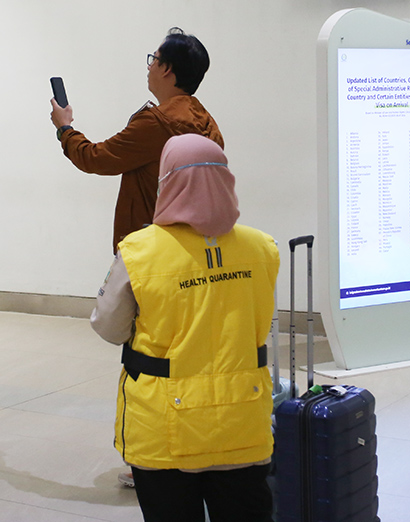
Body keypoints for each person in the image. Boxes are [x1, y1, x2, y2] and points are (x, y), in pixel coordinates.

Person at [91, 134, 279, 522]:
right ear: (226, 180)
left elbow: (109, 327)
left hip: (163, 429)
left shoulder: (139, 251)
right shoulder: (262, 248)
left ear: (167, 182)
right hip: (243, 424)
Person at [50, 27, 223, 255]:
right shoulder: (209, 126)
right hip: (191, 245)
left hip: (149, 247)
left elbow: (95, 158)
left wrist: (65, 128)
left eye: (154, 59)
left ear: (167, 69)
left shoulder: (157, 124)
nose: (150, 66)